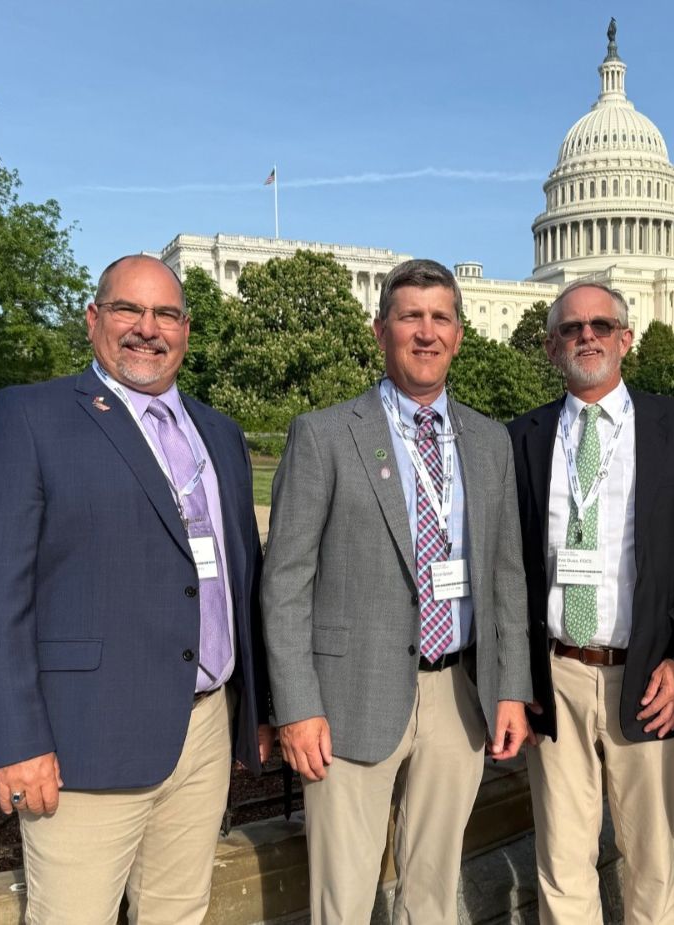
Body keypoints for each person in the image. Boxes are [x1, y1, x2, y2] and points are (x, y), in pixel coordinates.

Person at [0, 254, 271, 924]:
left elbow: (242, 578)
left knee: (178, 912)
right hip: (84, 740)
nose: (146, 329)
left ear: (186, 329)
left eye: (165, 314)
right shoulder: (30, 417)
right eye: (128, 309)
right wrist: (15, 740)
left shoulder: (219, 433)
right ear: (95, 318)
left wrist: (255, 709)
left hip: (204, 728)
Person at [261, 258, 532, 923]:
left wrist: (511, 690)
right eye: (410, 316)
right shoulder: (323, 434)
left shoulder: (490, 441)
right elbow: (285, 579)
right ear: (381, 330)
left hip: (458, 692)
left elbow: (505, 576)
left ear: (459, 334)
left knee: (434, 891)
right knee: (343, 896)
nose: (426, 331)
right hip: (349, 691)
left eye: (440, 317)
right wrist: (295, 705)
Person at [507, 280, 674, 924]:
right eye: (571, 329)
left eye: (601, 324)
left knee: (653, 857)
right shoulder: (523, 436)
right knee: (561, 859)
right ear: (551, 347)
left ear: (626, 339)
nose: (587, 336)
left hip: (648, 672)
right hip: (558, 671)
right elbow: (511, 566)